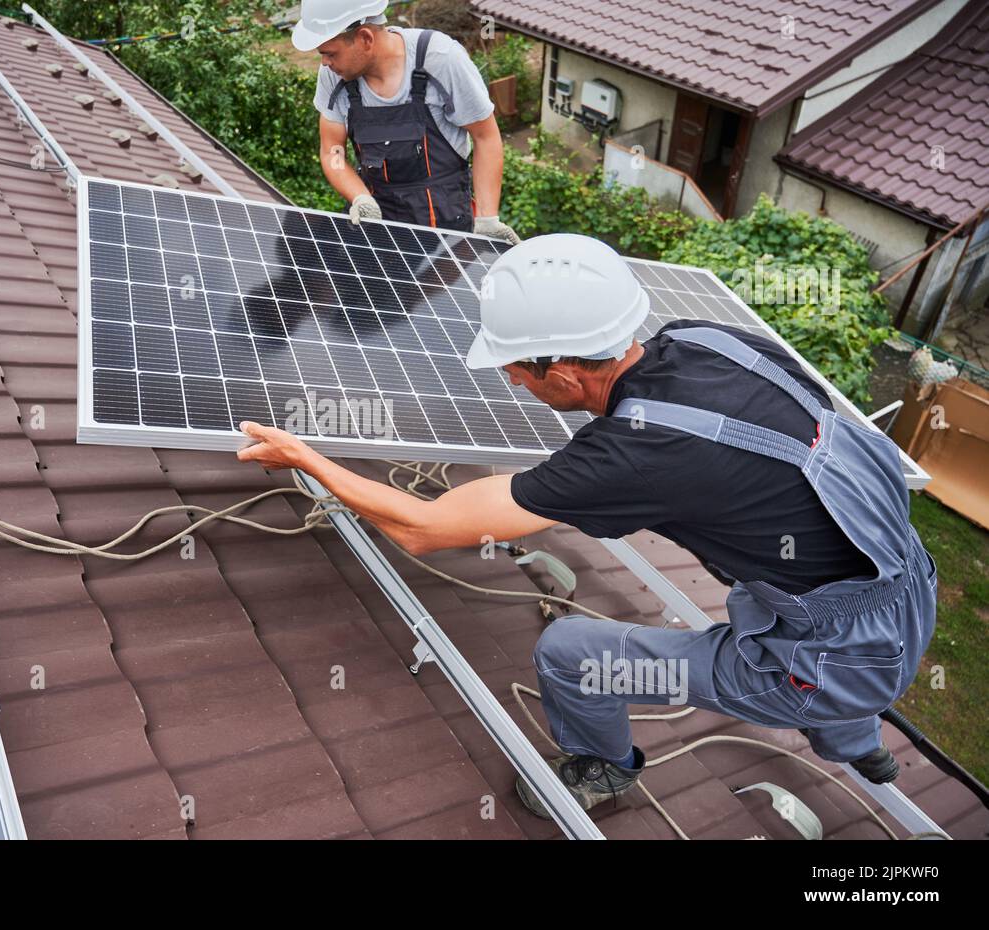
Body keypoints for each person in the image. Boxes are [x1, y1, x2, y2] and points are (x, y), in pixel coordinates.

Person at [234, 233, 938, 815]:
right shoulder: (707, 342)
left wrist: (307, 457)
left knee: (570, 652)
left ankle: (607, 767)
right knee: (775, 609)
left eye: (517, 369)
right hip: (901, 581)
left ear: (567, 375)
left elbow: (422, 528)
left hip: (831, 654)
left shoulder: (635, 455)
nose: (512, 382)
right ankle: (859, 739)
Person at [292, 0, 520, 242]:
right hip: (378, 217)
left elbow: (485, 137)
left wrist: (487, 219)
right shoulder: (333, 76)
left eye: (330, 53)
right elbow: (332, 151)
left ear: (365, 38)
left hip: (445, 220)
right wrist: (360, 197)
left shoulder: (440, 59)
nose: (324, 63)